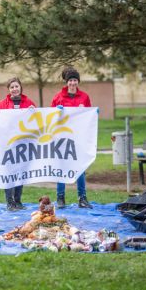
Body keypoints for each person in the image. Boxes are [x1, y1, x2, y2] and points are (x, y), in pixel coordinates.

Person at [0, 77, 36, 211]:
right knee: (8, 172)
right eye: (12, 87)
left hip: (23, 144)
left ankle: (18, 201)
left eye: (16, 86)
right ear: (9, 90)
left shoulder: (29, 103)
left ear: (20, 87)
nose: (14, 89)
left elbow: (36, 122)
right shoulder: (2, 104)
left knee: (20, 173)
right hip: (7, 144)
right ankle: (10, 202)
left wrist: (35, 113)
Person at [50, 67, 93, 209]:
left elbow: (89, 116)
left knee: (80, 168)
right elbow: (50, 117)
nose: (73, 83)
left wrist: (94, 113)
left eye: (75, 80)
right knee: (62, 166)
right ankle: (60, 198)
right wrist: (57, 112)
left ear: (78, 81)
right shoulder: (58, 97)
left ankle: (82, 198)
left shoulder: (85, 97)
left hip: (79, 137)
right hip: (62, 138)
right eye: (70, 80)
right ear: (66, 82)